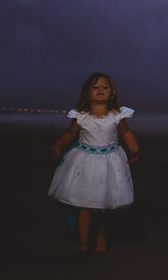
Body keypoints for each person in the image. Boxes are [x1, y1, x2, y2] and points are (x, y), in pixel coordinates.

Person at [49, 72, 140, 253]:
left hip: (109, 164)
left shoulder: (116, 116)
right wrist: (59, 143)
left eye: (104, 87)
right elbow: (70, 135)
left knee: (103, 206)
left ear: (111, 93)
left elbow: (126, 133)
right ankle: (83, 242)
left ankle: (101, 236)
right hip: (85, 164)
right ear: (87, 93)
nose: (100, 90)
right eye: (95, 87)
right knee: (85, 205)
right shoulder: (81, 116)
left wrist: (134, 148)